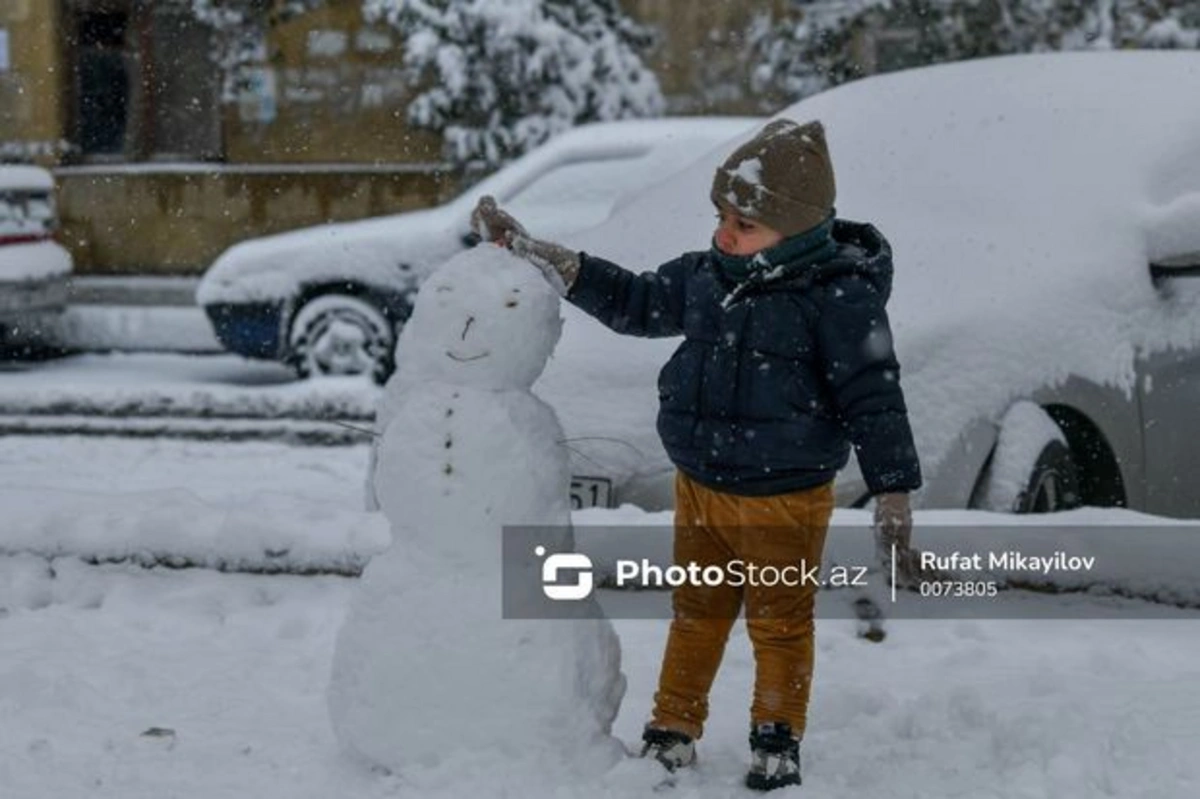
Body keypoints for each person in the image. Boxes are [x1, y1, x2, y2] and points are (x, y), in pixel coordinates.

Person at [472, 119, 922, 792]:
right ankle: (672, 729)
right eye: (720, 217)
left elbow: (874, 397)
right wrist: (550, 258)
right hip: (701, 484)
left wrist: (892, 492)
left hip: (785, 496)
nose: (723, 234)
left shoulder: (839, 298)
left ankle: (776, 736)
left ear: (794, 230)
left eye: (743, 224)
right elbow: (635, 300)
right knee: (697, 612)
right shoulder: (710, 276)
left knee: (778, 624)